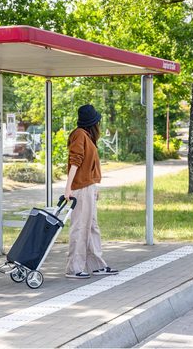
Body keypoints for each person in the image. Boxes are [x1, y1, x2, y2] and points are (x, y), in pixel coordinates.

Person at [64, 104, 118, 279]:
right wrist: (68, 187)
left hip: (88, 187)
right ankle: (74, 268)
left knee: (92, 226)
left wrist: (94, 186)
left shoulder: (86, 136)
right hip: (80, 188)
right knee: (80, 227)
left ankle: (96, 265)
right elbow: (75, 161)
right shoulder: (80, 135)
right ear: (93, 123)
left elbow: (88, 165)